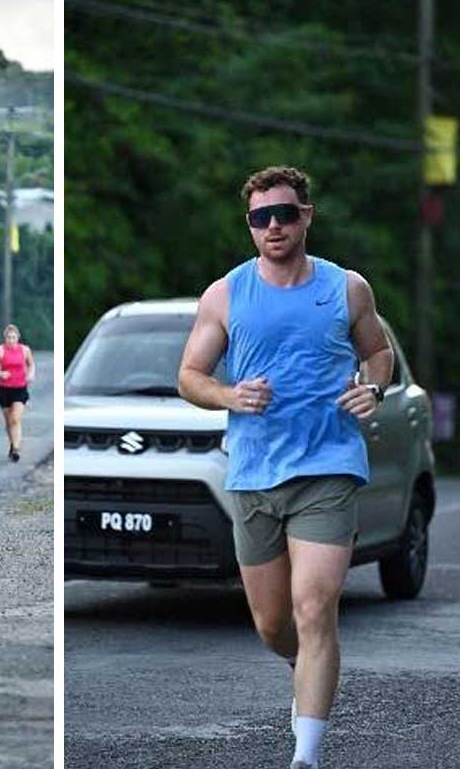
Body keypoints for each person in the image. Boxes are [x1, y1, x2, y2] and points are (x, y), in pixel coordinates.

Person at [177, 166, 391, 769]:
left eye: (285, 214)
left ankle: (307, 756)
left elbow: (379, 352)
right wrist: (229, 395)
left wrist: (372, 389)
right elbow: (190, 376)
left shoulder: (347, 288)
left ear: (306, 216)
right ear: (249, 225)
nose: (273, 226)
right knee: (275, 626)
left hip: (329, 466)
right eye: (260, 217)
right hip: (253, 473)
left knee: (315, 608)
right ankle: (308, 668)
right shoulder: (225, 293)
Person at [0, 324, 34, 461]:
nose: (11, 340)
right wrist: (0, 373)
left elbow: (31, 364)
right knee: (9, 422)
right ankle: (13, 444)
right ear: (5, 338)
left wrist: (31, 374)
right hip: (4, 389)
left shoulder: (25, 350)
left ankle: (16, 449)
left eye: (13, 337)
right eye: (8, 337)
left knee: (15, 419)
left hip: (20, 388)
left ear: (18, 337)